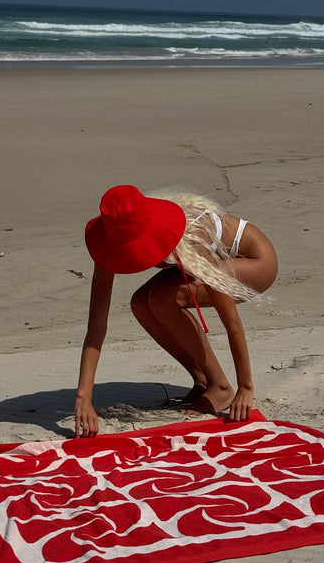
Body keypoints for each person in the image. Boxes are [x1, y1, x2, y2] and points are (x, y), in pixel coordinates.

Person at [74, 184, 277, 437]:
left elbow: (231, 321)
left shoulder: (190, 238)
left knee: (161, 298)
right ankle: (203, 380)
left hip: (254, 261)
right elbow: (97, 323)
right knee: (140, 303)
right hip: (206, 261)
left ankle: (220, 387)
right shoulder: (111, 237)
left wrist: (245, 387)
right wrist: (84, 396)